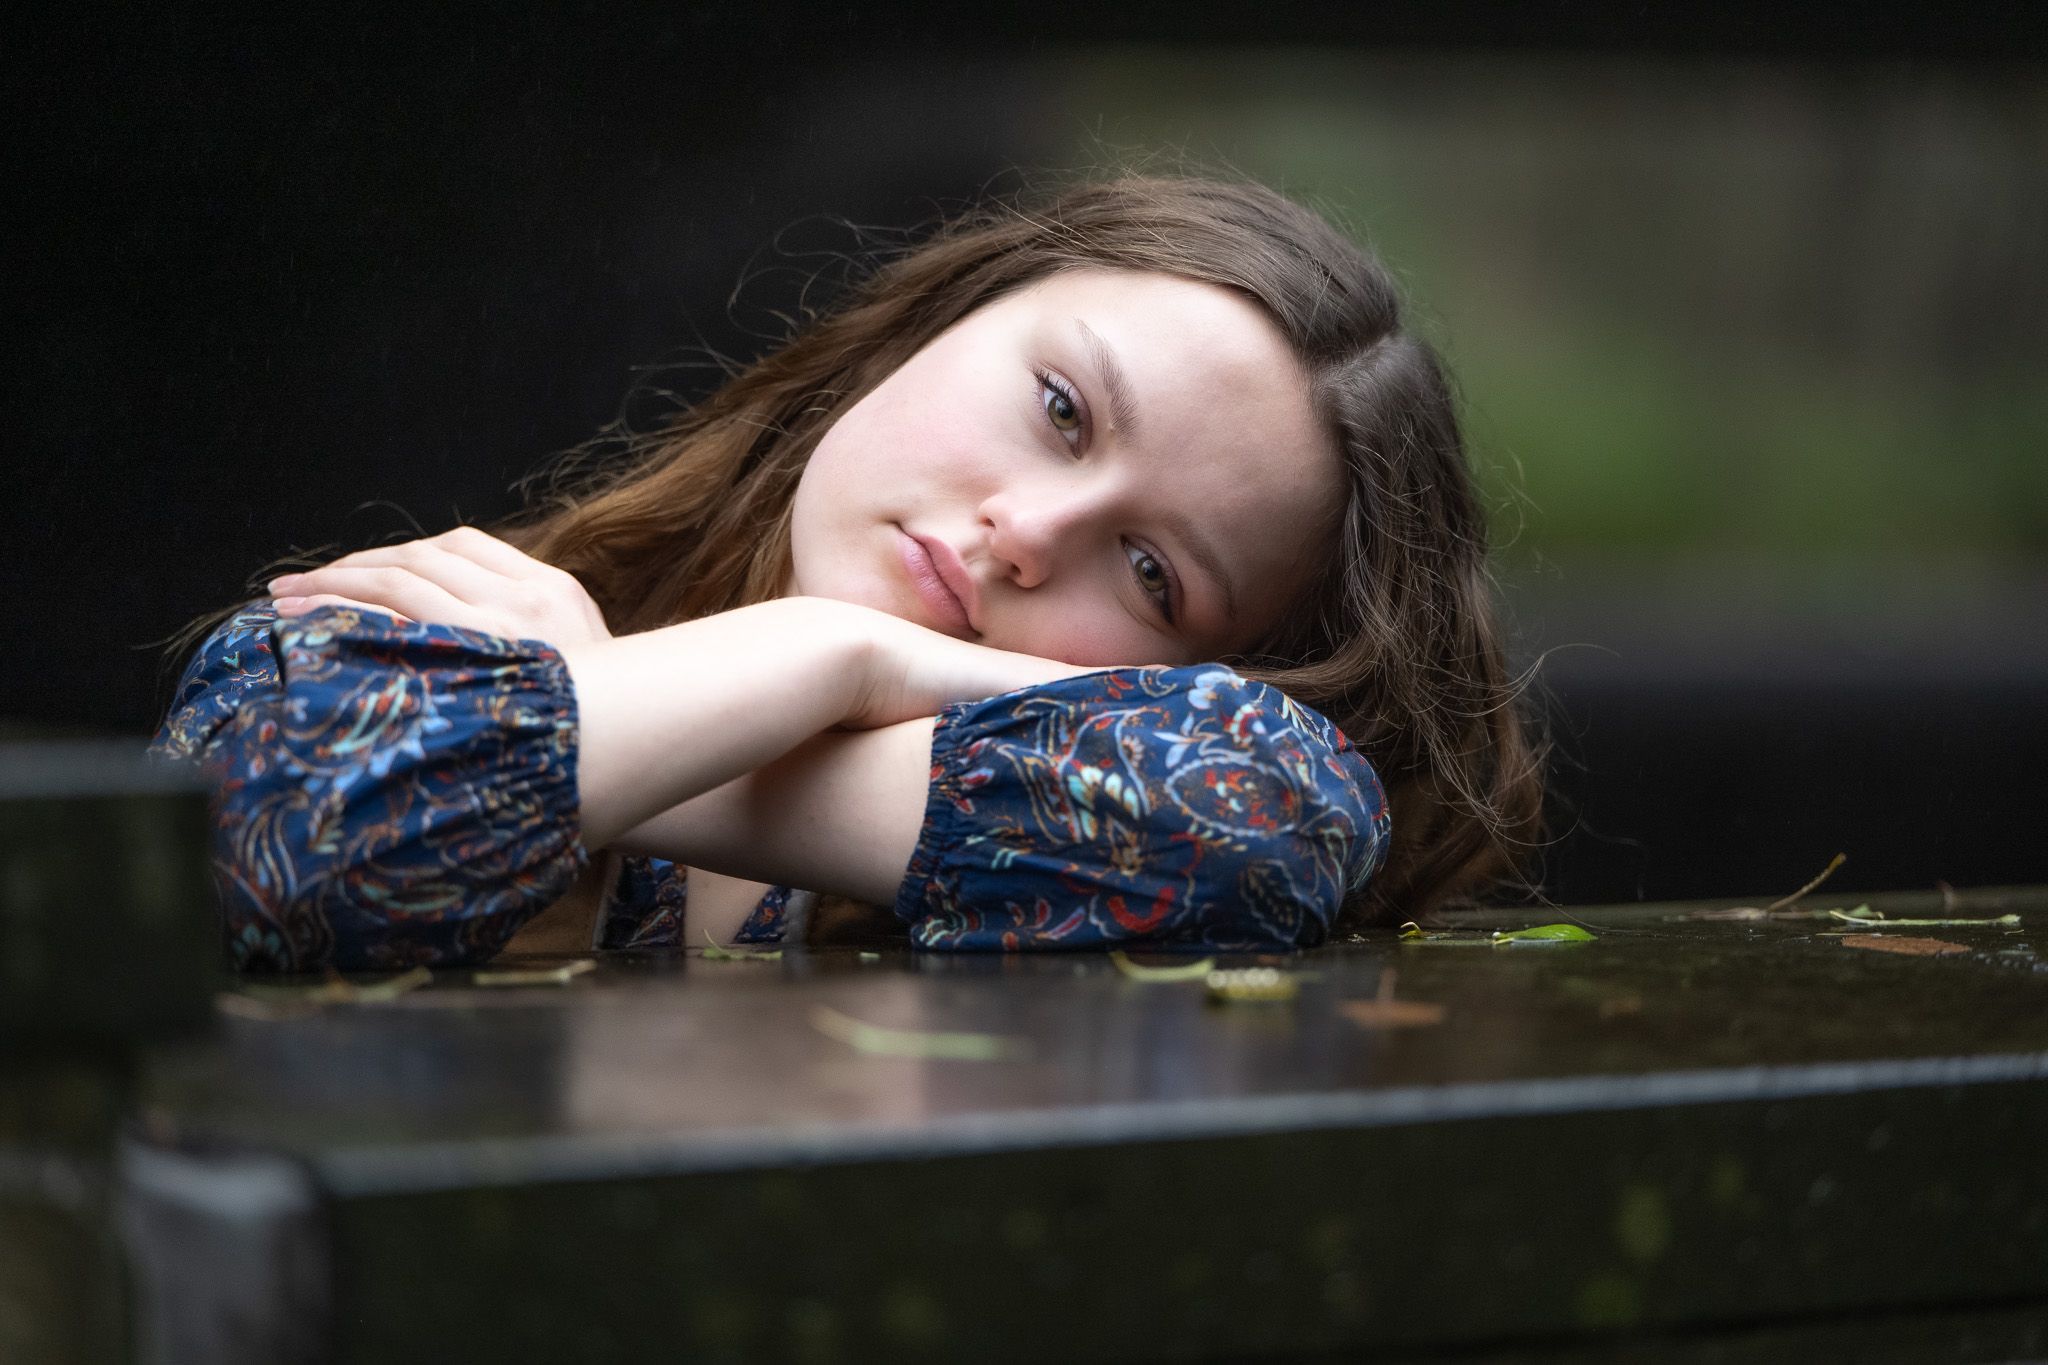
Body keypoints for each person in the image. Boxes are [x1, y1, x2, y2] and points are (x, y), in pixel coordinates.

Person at [150, 174, 1545, 971]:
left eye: (1149, 572)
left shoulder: (1219, 801)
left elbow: (1274, 816)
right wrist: (759, 671)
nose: (1025, 531)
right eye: (1062, 409)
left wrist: (830, 660)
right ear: (935, 323)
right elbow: (246, 838)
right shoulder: (436, 621)